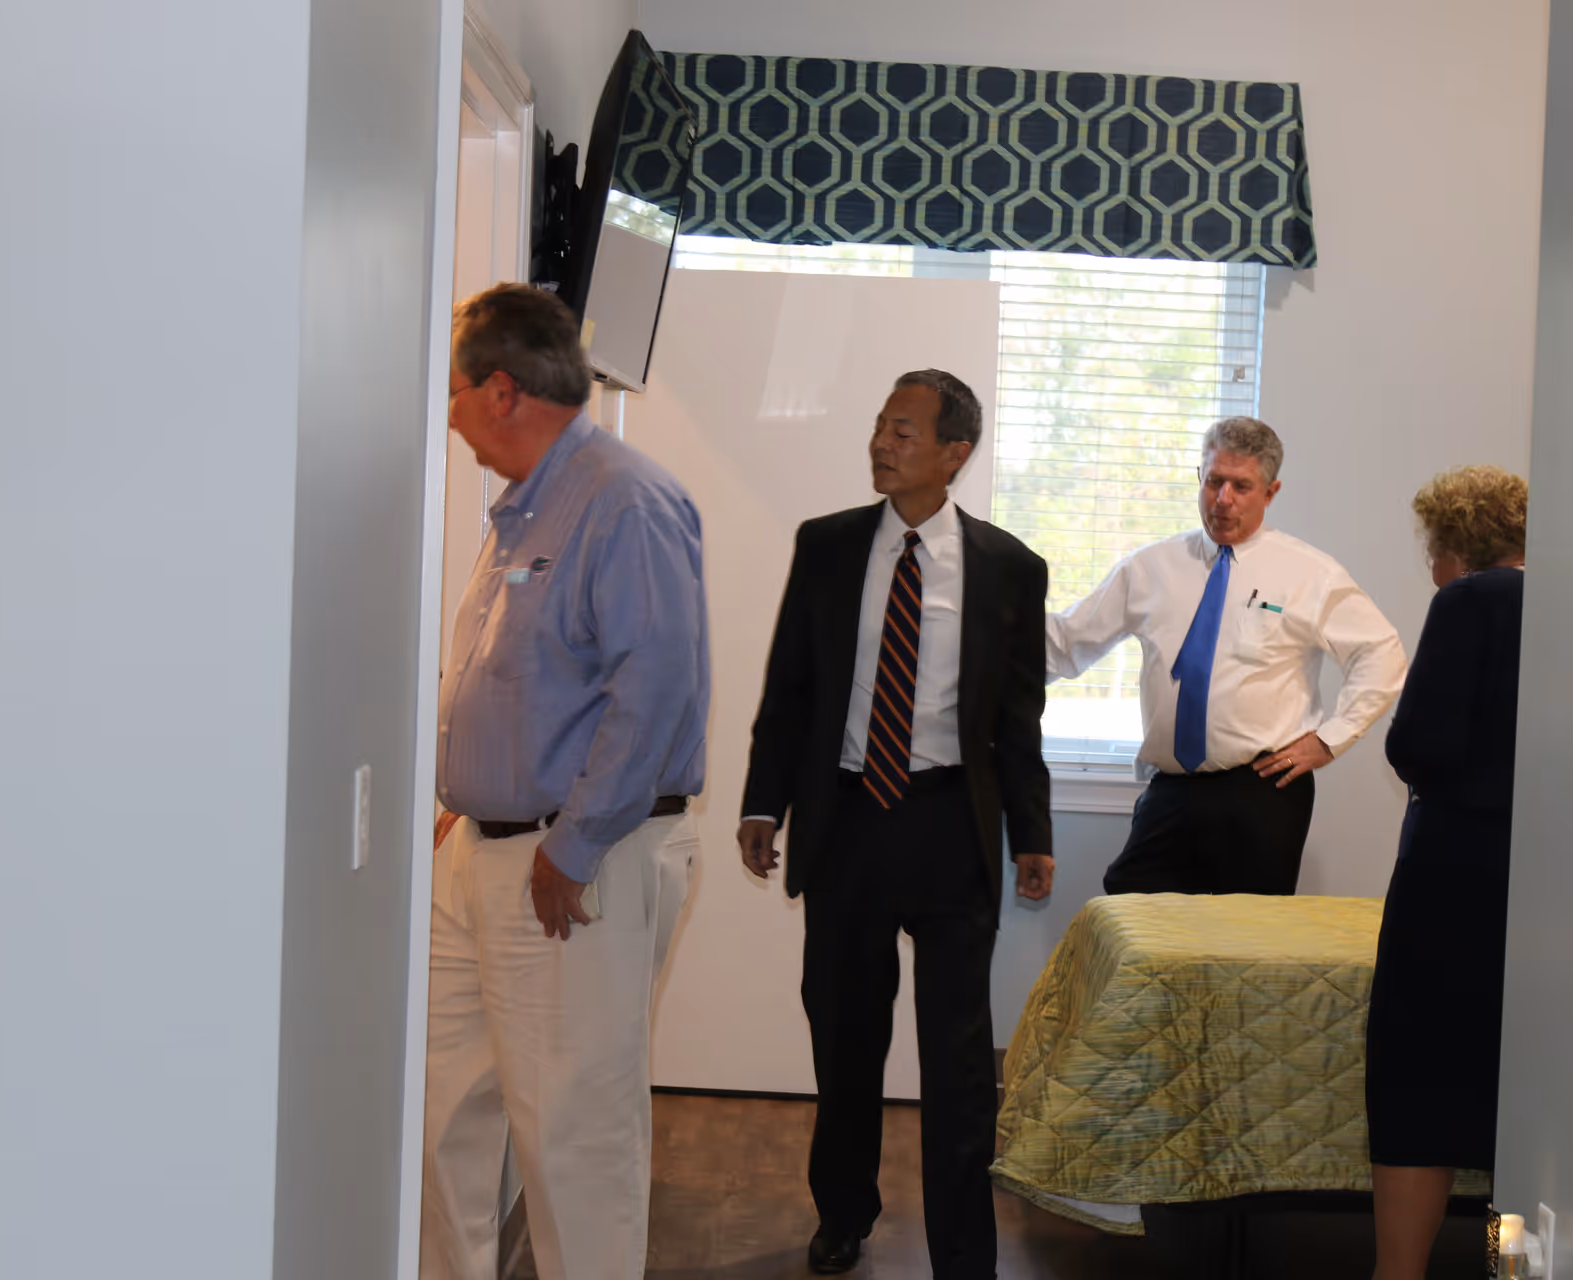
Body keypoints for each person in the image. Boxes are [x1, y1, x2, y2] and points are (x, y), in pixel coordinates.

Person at [736, 370, 1053, 1279]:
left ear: (955, 454)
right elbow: (789, 688)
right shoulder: (828, 546)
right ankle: (844, 1213)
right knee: (844, 1037)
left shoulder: (1008, 567)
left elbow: (1016, 721)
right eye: (881, 426)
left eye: (904, 432)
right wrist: (766, 802)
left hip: (950, 824)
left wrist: (1031, 834)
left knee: (956, 1062)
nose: (882, 444)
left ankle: (963, 1252)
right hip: (847, 822)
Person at [421, 283, 710, 1280]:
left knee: (575, 1139)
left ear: (502, 389)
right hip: (482, 852)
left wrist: (572, 842)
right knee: (438, 1114)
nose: (447, 409)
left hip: (574, 862)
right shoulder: (524, 506)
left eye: (456, 388)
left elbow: (658, 687)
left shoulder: (622, 499)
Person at [1046, 416, 1407, 895]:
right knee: (1130, 910)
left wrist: (1329, 740)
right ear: (1200, 477)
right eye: (1214, 481)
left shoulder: (1309, 574)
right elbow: (1065, 642)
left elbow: (1381, 653)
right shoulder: (1150, 568)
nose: (1223, 499)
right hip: (1172, 789)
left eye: (1241, 486)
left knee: (1246, 944)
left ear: (1271, 492)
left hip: (1262, 793)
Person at [1364, 465, 1528, 1280]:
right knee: (1524, 1110)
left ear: (1453, 543)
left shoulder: (1468, 602)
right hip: (1546, 878)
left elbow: (1420, 745)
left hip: (1454, 874)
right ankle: (1510, 1267)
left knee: (1417, 1089)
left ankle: (1399, 1274)